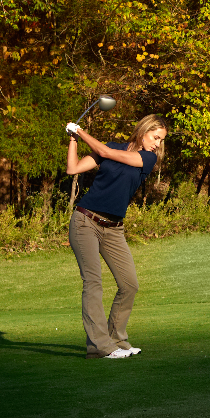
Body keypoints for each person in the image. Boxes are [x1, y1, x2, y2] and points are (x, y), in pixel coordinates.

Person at [64, 114, 167, 359]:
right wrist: (73, 139)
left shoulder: (147, 158)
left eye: (161, 140)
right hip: (85, 221)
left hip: (113, 228)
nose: (157, 144)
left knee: (129, 283)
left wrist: (80, 131)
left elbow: (107, 155)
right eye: (155, 137)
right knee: (93, 282)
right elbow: (73, 168)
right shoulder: (111, 147)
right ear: (143, 131)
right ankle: (100, 346)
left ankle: (117, 340)